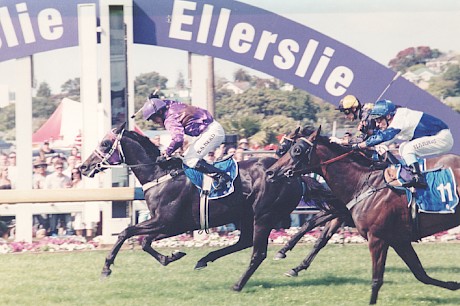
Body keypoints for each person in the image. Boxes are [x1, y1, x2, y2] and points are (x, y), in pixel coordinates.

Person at [353, 99, 454, 188]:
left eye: (379, 120)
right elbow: (379, 135)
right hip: (436, 136)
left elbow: (383, 137)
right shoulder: (394, 117)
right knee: (403, 147)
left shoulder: (398, 120)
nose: (378, 124)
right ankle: (410, 172)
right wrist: (366, 132)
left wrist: (360, 145)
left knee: (409, 148)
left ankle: (418, 178)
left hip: (442, 138)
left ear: (388, 116)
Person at [141, 94, 231, 188]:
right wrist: (154, 100)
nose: (154, 122)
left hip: (212, 132)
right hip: (209, 130)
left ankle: (222, 177)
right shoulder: (170, 105)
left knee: (190, 160)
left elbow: (178, 139)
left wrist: (167, 152)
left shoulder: (169, 119)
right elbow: (163, 102)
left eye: (153, 118)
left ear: (159, 112)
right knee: (186, 158)